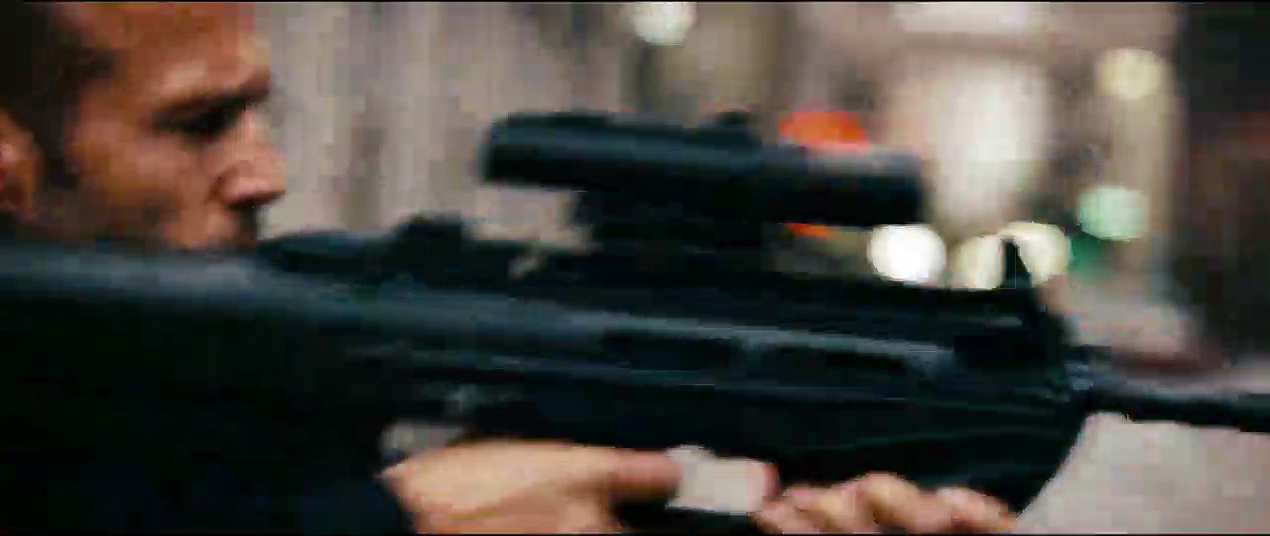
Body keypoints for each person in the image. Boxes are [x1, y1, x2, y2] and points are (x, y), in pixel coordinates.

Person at [0, 2, 1017, 533]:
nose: (266, 173)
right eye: (199, 122)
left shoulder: (193, 399)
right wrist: (405, 522)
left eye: (257, 112)